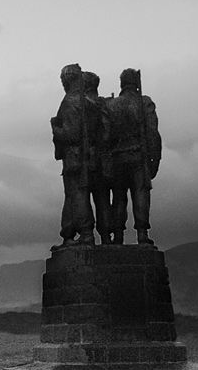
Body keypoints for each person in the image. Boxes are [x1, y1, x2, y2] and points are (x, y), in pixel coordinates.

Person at [50, 64, 111, 249]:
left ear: (67, 79)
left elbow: (71, 134)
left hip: (76, 158)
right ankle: (106, 236)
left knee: (78, 195)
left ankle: (86, 234)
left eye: (62, 80)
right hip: (95, 157)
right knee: (100, 197)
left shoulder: (70, 102)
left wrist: (55, 128)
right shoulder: (93, 102)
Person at [104, 68, 162, 245]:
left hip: (117, 158)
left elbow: (105, 137)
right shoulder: (144, 103)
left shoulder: (110, 105)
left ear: (121, 83)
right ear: (136, 83)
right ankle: (142, 234)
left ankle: (118, 236)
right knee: (141, 194)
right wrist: (155, 159)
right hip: (138, 156)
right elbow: (152, 133)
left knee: (119, 198)